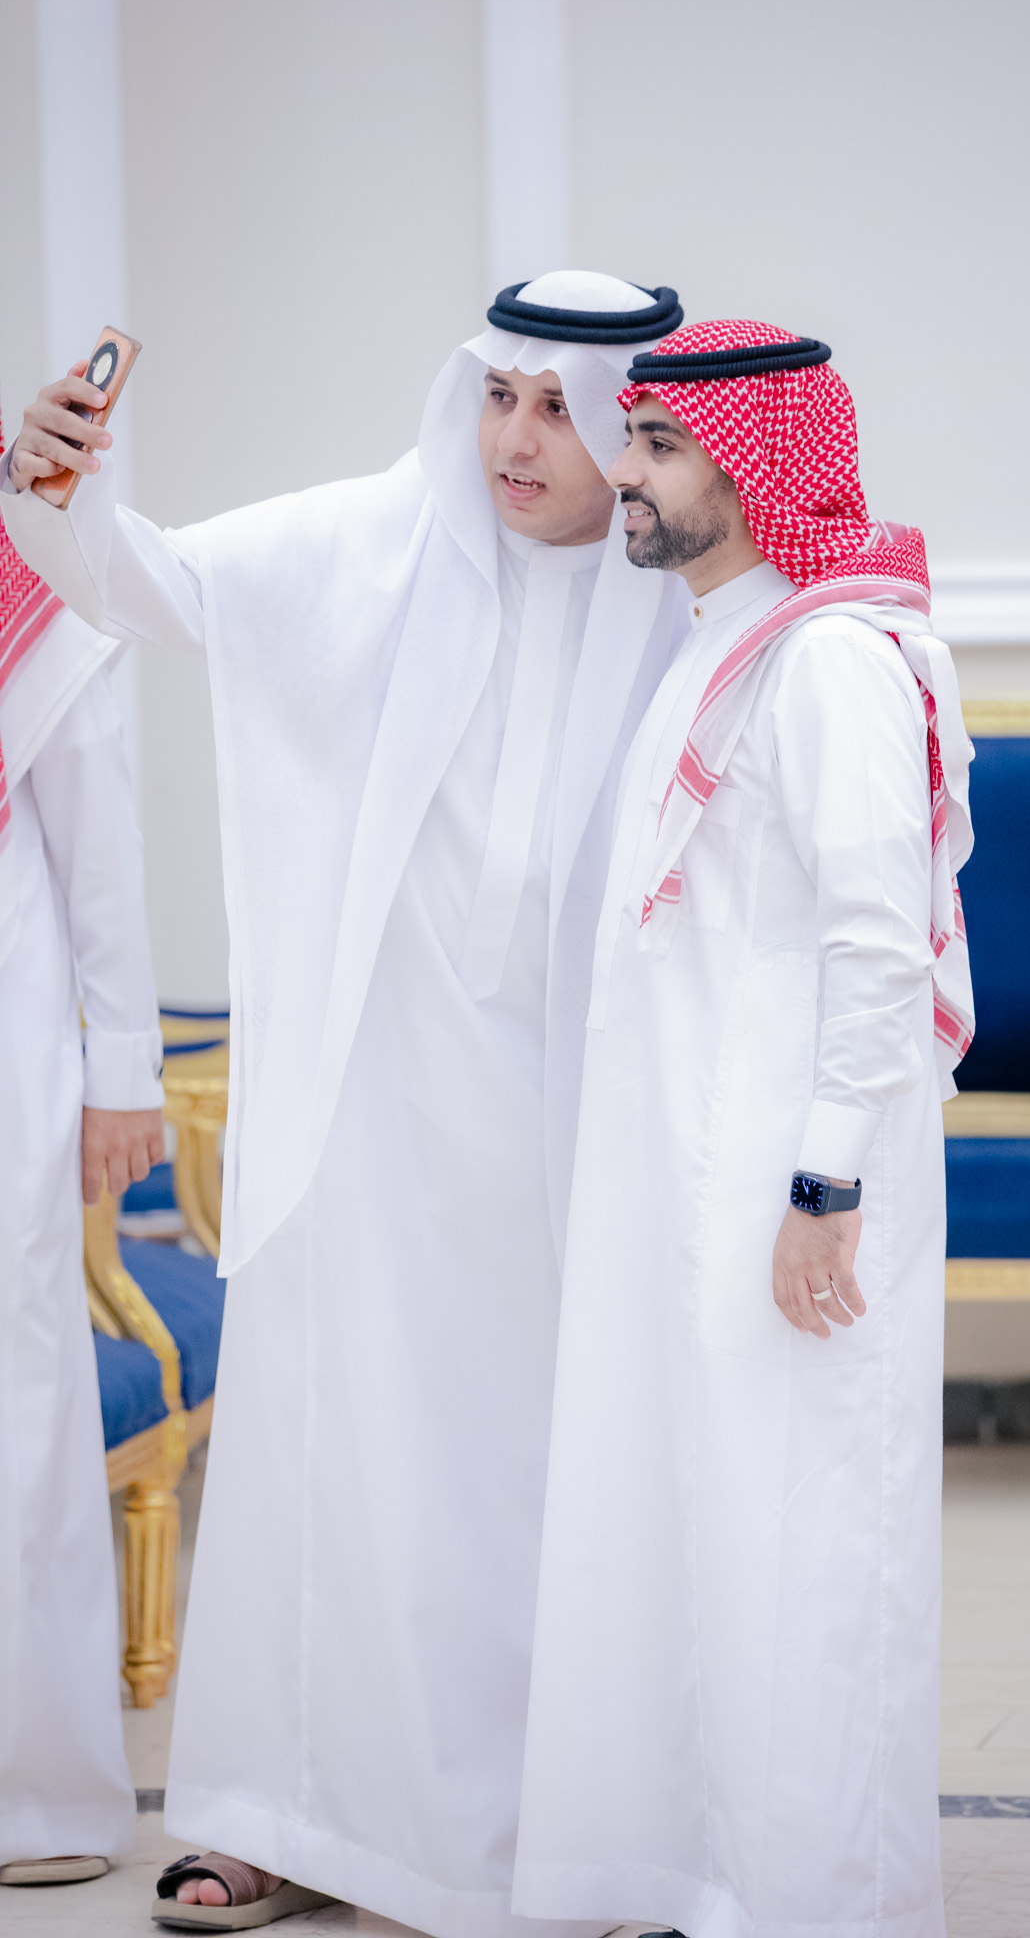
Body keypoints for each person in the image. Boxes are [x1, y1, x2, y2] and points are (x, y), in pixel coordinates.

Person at [0, 274, 688, 1937]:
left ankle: (578, 1839)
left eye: (559, 409)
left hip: (586, 1134)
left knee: (555, 1483)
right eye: (497, 396)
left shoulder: (690, 606)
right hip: (370, 1119)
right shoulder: (377, 542)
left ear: (625, 427)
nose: (516, 439)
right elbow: (148, 584)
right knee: (345, 1472)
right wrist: (54, 484)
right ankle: (285, 1823)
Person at [511, 322, 975, 1938]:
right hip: (702, 1175)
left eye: (657, 446)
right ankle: (709, 1881)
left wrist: (824, 1182)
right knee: (710, 1528)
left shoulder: (827, 660)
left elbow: (877, 944)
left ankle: (816, 1900)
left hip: (791, 1183)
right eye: (631, 439)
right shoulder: (729, 644)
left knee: (803, 1541)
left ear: (756, 465)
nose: (622, 473)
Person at [0, 483, 164, 1890]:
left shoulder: (22, 577)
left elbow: (97, 844)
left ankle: (33, 1793)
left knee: (21, 1391)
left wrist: (124, 1071)